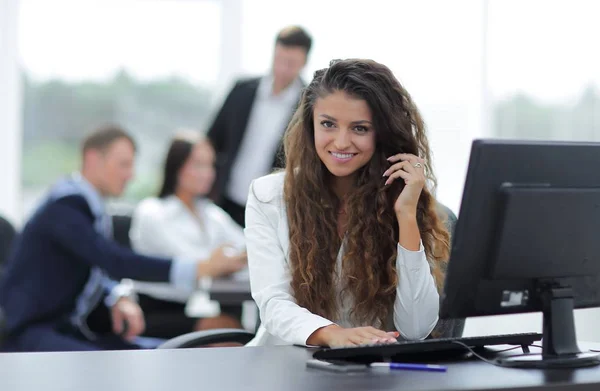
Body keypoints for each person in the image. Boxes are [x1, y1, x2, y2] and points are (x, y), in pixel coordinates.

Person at [245, 59, 451, 347]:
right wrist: (333, 335)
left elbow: (416, 328)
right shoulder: (268, 196)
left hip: (366, 373)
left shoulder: (403, 200)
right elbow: (273, 304)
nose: (341, 142)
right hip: (283, 367)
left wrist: (405, 216)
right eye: (328, 124)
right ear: (311, 125)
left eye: (360, 128)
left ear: (383, 133)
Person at [0, 125, 245, 352]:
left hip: (71, 328)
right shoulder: (65, 206)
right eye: (124, 165)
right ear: (93, 159)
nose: (131, 175)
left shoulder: (90, 206)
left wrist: (118, 294)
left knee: (163, 354)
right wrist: (201, 267)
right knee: (134, 365)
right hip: (32, 333)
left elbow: (94, 266)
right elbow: (112, 260)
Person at [129, 131, 247, 339]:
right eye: (198, 164)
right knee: (230, 332)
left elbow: (249, 245)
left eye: (210, 165)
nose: (208, 173)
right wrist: (220, 261)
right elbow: (192, 266)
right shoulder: (153, 212)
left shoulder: (209, 212)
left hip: (185, 310)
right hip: (145, 314)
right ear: (176, 166)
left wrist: (224, 261)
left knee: (234, 329)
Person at [208, 25, 312, 226]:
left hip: (271, 211)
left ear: (304, 62)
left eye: (291, 63)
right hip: (222, 200)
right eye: (279, 60)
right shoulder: (242, 90)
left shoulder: (309, 106)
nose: (282, 68)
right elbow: (213, 139)